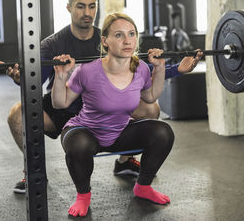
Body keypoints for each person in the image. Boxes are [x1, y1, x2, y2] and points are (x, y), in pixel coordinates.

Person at [5, 0, 202, 194]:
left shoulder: (109, 39)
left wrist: (177, 69)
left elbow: (139, 70)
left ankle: (125, 161)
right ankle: (35, 174)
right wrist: (22, 79)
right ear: (68, 8)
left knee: (151, 108)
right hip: (64, 108)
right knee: (17, 114)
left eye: (92, 6)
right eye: (81, 6)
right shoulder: (52, 44)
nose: (87, 13)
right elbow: (37, 80)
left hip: (102, 107)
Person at [52, 12, 174, 217]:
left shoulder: (141, 68)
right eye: (118, 35)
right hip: (85, 131)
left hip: (119, 132)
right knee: (79, 145)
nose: (127, 41)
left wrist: (159, 70)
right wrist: (60, 76)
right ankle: (83, 195)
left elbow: (151, 96)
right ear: (105, 41)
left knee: (163, 132)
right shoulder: (87, 71)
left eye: (131, 34)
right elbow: (60, 103)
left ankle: (143, 186)